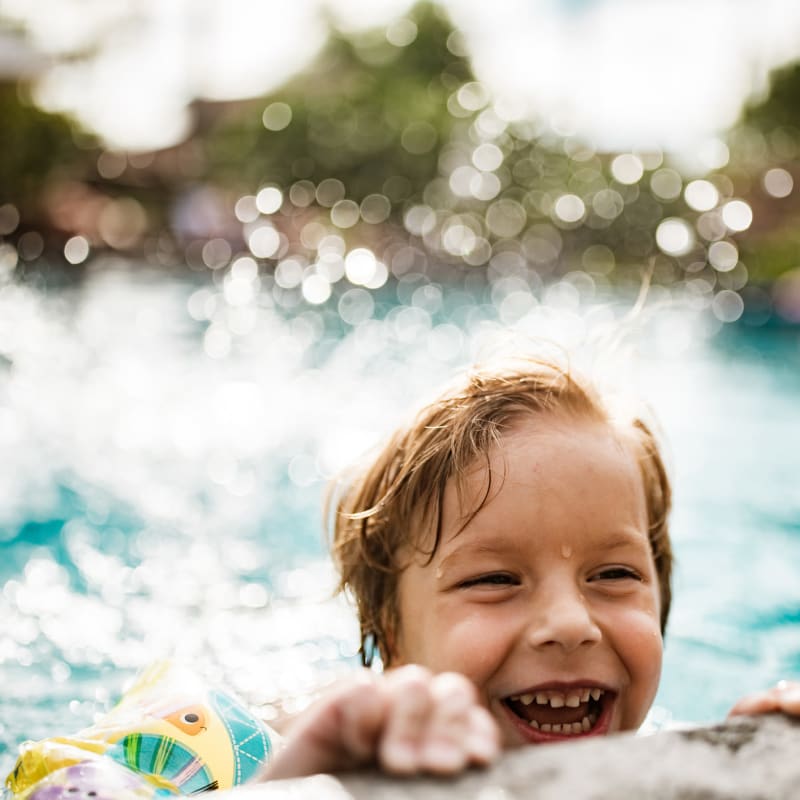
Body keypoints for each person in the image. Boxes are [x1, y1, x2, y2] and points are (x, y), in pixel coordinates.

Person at [259, 354, 800, 781]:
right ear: (392, 635)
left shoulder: (671, 756)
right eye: (493, 580)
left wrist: (750, 761)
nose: (570, 624)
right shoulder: (312, 755)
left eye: (615, 575)